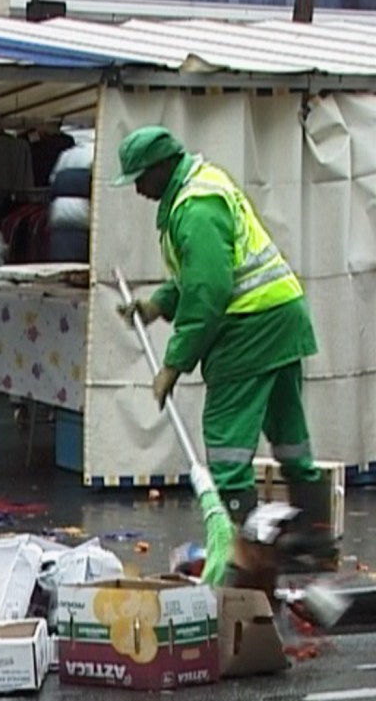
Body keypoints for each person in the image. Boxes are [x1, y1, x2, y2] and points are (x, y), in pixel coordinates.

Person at [113, 125, 332, 582]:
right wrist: (158, 305)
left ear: (160, 168)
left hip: (248, 327)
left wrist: (173, 363)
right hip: (282, 315)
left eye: (138, 178)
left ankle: (244, 554)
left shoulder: (193, 208)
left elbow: (211, 291)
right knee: (289, 433)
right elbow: (203, 275)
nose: (136, 189)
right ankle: (315, 537)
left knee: (227, 443)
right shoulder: (204, 184)